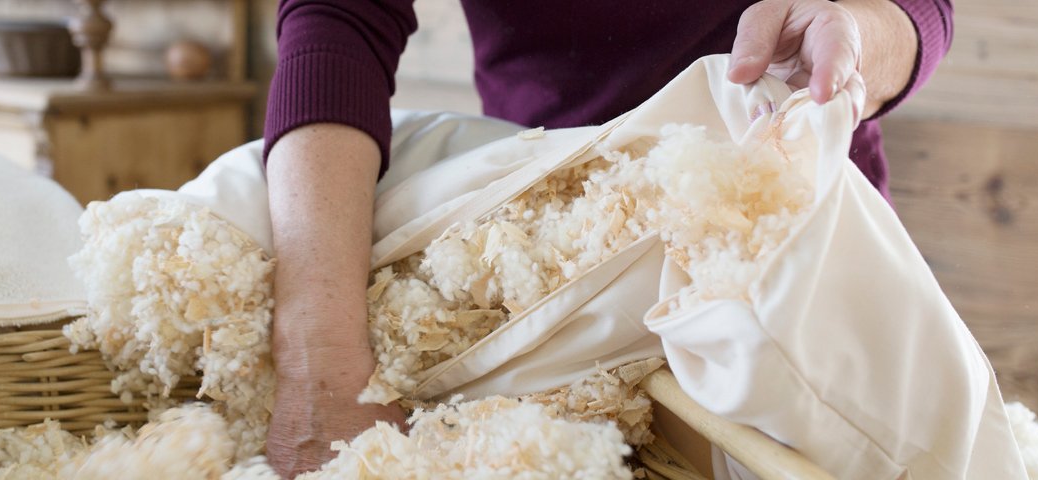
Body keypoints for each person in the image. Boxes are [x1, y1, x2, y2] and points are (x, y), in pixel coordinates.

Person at [261, 0, 951, 476]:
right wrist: (319, 353)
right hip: (550, 244)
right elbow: (338, 18)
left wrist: (858, 32)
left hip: (788, 235)